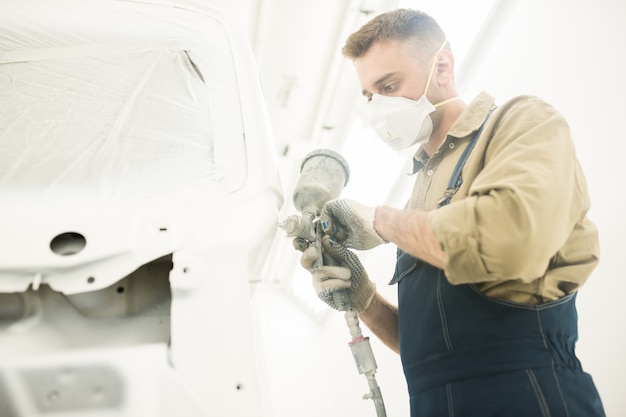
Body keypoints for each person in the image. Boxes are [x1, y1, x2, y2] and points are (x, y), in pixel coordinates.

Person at [293, 8, 605, 417]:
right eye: (370, 95)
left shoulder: (522, 123)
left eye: (389, 85)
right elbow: (435, 348)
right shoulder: (420, 191)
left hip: (529, 394)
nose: (377, 107)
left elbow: (510, 244)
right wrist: (363, 296)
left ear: (441, 67)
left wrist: (379, 221)